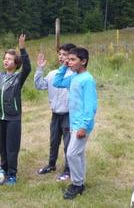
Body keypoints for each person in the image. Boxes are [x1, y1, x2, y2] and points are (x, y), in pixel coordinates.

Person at [0, 35, 31, 185]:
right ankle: (4, 168)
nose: (6, 61)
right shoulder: (0, 76)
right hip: (1, 118)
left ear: (16, 63)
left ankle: (12, 174)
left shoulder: (18, 77)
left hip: (13, 118)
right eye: (5, 58)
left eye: (9, 59)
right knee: (2, 145)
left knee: (12, 147)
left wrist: (22, 49)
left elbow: (28, 67)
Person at [53, 47, 97, 200]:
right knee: (78, 154)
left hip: (81, 125)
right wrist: (64, 66)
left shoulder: (87, 80)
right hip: (74, 123)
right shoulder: (73, 77)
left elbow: (90, 106)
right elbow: (57, 82)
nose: (69, 62)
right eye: (68, 59)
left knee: (71, 153)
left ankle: (77, 184)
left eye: (72, 60)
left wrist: (83, 127)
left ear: (83, 61)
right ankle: (81, 181)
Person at [35, 43, 76, 181]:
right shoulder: (53, 74)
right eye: (60, 54)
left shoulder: (75, 76)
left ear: (71, 57)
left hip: (69, 115)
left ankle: (68, 170)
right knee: (53, 141)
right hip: (55, 114)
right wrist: (40, 69)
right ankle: (51, 165)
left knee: (68, 143)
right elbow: (40, 85)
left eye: (65, 54)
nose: (61, 57)